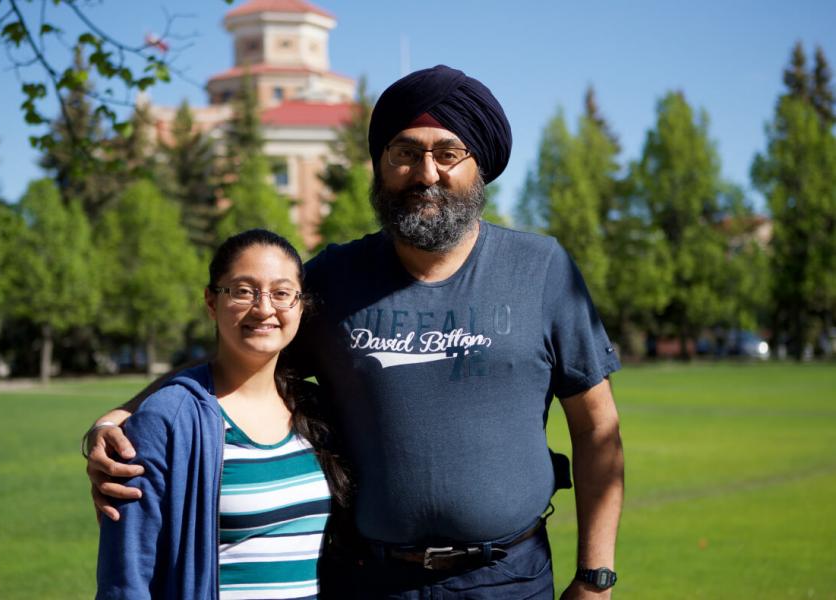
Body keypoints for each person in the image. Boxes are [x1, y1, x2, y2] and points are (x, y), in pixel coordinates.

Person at [87, 65, 624, 599]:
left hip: (508, 578)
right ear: (380, 166)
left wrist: (595, 578)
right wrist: (124, 417)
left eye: (447, 153)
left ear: (478, 165)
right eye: (405, 153)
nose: (426, 173)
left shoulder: (542, 269)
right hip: (368, 580)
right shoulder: (333, 280)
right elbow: (238, 364)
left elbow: (597, 429)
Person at [95, 229, 347, 599]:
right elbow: (126, 579)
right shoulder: (168, 420)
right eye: (243, 291)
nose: (264, 309)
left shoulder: (318, 410)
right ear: (211, 302)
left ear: (300, 305)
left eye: (281, 293)